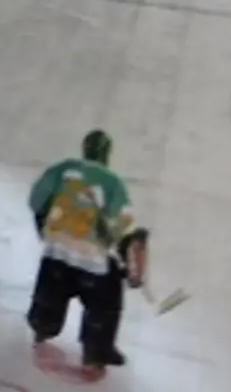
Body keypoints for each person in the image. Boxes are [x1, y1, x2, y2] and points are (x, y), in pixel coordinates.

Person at [25, 130, 147, 372]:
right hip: (91, 263)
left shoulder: (62, 170)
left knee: (50, 293)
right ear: (107, 154)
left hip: (55, 253)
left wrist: (47, 226)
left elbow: (36, 201)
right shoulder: (113, 184)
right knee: (104, 305)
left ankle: (42, 328)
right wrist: (132, 262)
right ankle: (95, 353)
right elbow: (122, 226)